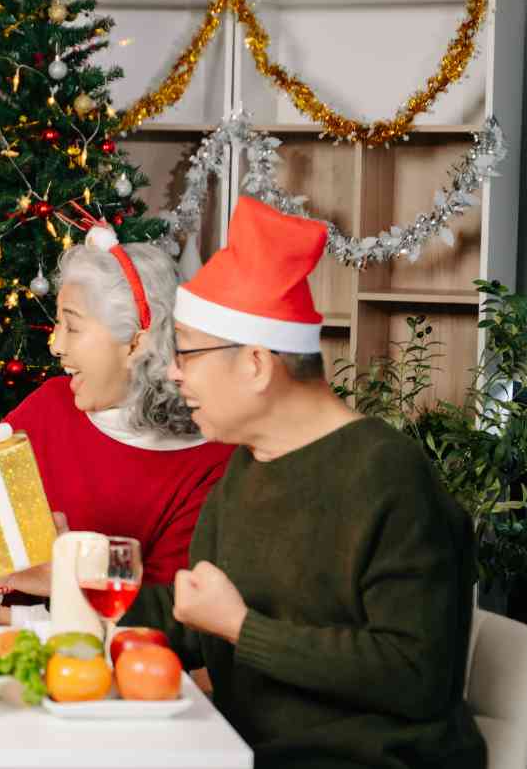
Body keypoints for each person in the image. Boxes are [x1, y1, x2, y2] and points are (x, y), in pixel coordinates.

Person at [122, 196, 486, 768]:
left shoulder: (389, 477)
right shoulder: (248, 464)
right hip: (244, 753)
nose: (173, 372)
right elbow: (195, 616)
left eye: (186, 353)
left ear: (256, 363)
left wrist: (243, 628)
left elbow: (416, 675)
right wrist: (70, 582)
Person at [0, 227, 232, 620]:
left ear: (136, 343)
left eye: (71, 325)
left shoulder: (208, 462)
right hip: (12, 649)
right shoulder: (55, 403)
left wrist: (53, 588)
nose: (55, 345)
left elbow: (165, 618)